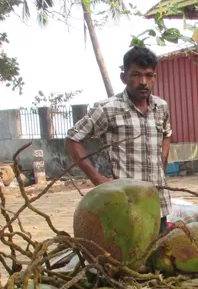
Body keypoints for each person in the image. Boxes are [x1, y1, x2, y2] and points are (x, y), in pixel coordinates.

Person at [65, 47, 173, 234]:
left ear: (154, 77)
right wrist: (96, 178)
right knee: (128, 260)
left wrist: (162, 160)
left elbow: (167, 134)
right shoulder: (108, 109)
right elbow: (72, 139)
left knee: (160, 258)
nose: (143, 82)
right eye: (136, 75)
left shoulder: (160, 107)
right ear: (124, 77)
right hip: (124, 207)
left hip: (157, 203)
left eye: (149, 75)